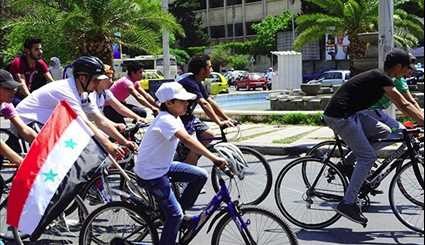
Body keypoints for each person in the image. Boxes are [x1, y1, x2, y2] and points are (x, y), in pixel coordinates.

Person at [323, 48, 424, 226]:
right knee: (368, 156)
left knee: (385, 132)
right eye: (407, 67)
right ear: (399, 66)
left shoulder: (385, 78)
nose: (408, 71)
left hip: (354, 113)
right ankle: (347, 203)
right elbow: (403, 104)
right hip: (339, 116)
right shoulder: (382, 78)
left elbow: (409, 103)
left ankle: (348, 162)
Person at [135, 82, 228, 245]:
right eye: (182, 100)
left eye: (187, 100)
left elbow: (191, 138)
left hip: (163, 166)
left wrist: (217, 152)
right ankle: (176, 219)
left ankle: (179, 218)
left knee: (200, 175)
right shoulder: (165, 120)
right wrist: (214, 158)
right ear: (169, 103)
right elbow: (186, 140)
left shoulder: (174, 117)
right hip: (151, 173)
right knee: (174, 214)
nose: (187, 103)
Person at [15, 56, 136, 156]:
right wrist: (109, 145)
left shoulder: (83, 92)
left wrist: (124, 142)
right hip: (27, 121)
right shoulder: (67, 92)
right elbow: (85, 123)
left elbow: (99, 119)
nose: (98, 84)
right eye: (95, 80)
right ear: (83, 78)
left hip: (46, 121)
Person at [176, 55, 235, 165]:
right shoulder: (189, 83)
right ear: (203, 70)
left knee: (208, 136)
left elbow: (210, 102)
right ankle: (187, 172)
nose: (212, 69)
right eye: (210, 67)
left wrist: (227, 119)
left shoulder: (198, 81)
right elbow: (204, 104)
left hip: (188, 117)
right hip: (178, 118)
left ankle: (188, 159)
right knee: (194, 145)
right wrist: (219, 122)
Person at [0, 69, 37, 166]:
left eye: (14, 88)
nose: (13, 92)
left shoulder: (6, 105)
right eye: (8, 88)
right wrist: (21, 162)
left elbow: (24, 129)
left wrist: (45, 146)